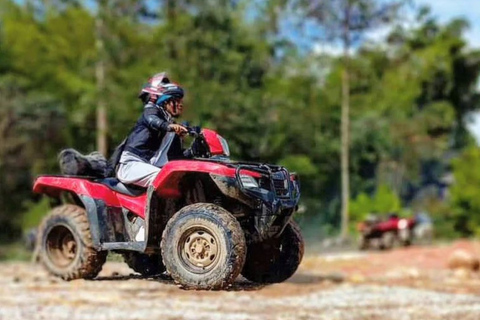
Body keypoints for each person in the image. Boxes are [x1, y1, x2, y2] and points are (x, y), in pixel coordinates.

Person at [116, 72, 191, 188]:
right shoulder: (152, 113)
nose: (181, 105)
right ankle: (154, 207)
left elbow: (175, 157)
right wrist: (169, 127)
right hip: (132, 164)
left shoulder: (170, 126)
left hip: (147, 166)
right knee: (165, 177)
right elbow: (152, 120)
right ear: (165, 101)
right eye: (176, 100)